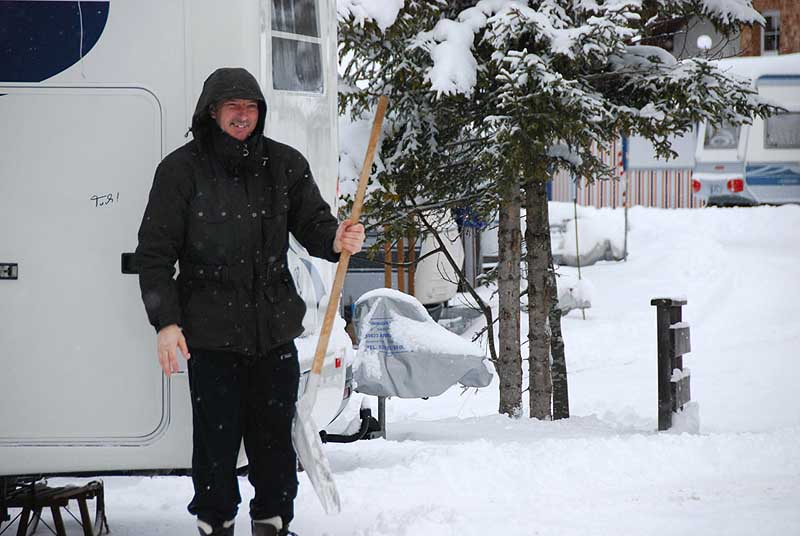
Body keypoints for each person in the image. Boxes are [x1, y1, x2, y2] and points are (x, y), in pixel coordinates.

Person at [134, 67, 365, 536]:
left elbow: (314, 225)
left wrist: (337, 237)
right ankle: (215, 523)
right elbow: (154, 255)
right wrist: (166, 323)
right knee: (216, 447)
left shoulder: (283, 164)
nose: (243, 116)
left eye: (251, 107)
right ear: (211, 112)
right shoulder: (181, 171)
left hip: (273, 331)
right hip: (211, 335)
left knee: (274, 442)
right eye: (233, 107)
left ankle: (272, 523)